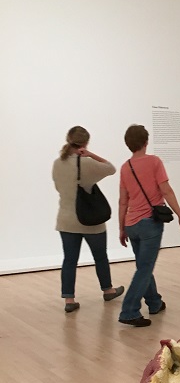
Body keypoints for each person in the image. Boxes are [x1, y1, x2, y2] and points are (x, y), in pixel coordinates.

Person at [118, 124, 180, 327]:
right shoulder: (154, 162)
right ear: (146, 142)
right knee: (145, 268)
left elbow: (123, 201)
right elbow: (166, 190)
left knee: (143, 266)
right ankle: (129, 311)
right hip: (149, 223)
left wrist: (122, 228)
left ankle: (154, 302)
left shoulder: (125, 167)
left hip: (131, 224)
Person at [52, 126, 124, 313]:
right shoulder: (87, 163)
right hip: (91, 221)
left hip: (66, 220)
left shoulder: (58, 163)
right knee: (100, 257)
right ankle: (107, 290)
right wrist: (91, 154)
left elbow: (58, 187)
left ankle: (69, 299)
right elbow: (111, 168)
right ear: (85, 143)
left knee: (69, 260)